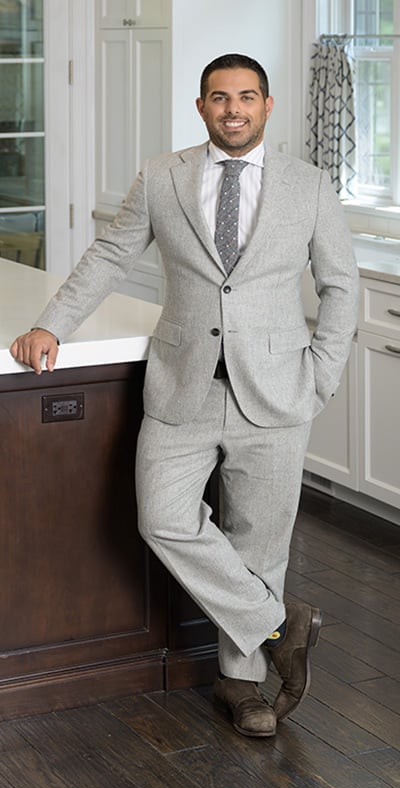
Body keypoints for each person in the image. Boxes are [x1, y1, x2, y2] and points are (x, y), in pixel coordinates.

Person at [10, 53, 359, 738]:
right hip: (183, 386)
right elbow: (110, 255)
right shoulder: (161, 176)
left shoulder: (309, 185)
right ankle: (278, 625)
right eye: (220, 97)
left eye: (247, 97)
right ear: (201, 107)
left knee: (259, 544)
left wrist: (322, 374)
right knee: (163, 517)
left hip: (278, 392)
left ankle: (241, 685)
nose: (234, 109)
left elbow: (341, 285)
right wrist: (52, 323)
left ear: (267, 105)